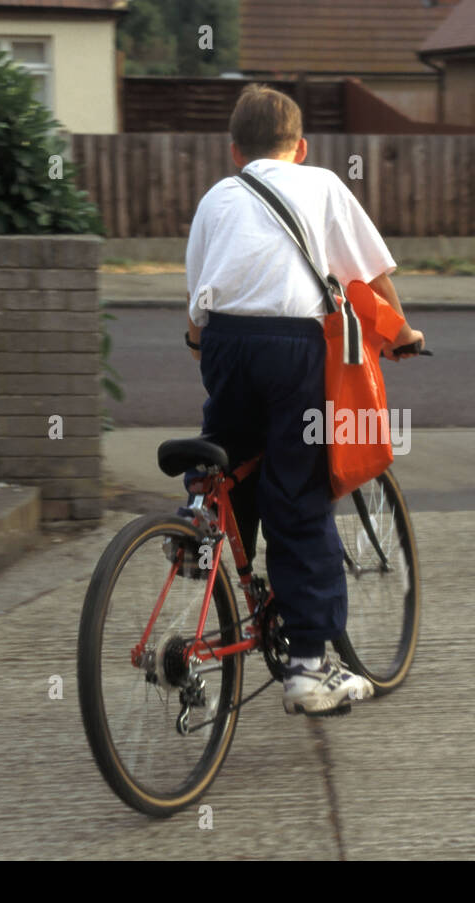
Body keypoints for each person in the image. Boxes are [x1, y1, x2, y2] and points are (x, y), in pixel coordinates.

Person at [184, 84, 425, 716]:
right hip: (296, 349)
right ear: (303, 147)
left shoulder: (217, 198)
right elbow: (369, 276)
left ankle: (198, 528)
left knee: (230, 455)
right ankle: (310, 668)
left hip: (226, 344)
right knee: (300, 489)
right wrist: (403, 335)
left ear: (234, 151)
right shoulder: (321, 184)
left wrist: (214, 352)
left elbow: (196, 317)